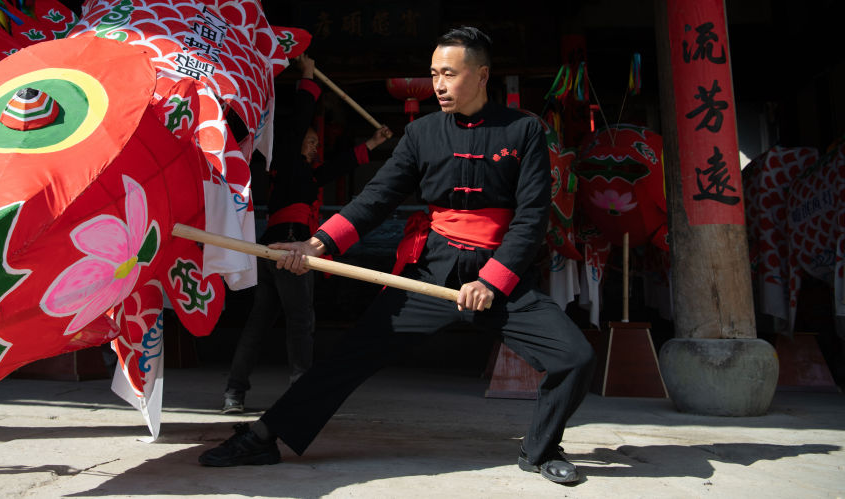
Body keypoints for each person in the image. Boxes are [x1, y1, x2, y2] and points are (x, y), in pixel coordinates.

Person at [199, 26, 595, 484]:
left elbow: (532, 219)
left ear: (482, 75)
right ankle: (264, 437)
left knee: (575, 356)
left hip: (498, 275)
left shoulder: (523, 131)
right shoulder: (422, 133)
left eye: (449, 73)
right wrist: (315, 245)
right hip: (434, 271)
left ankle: (540, 448)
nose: (439, 85)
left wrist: (491, 282)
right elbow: (376, 198)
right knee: (349, 356)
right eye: (433, 74)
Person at [221, 52, 392, 414]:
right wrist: (309, 78)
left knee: (260, 322)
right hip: (290, 245)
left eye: (316, 145)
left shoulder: (306, 176)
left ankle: (234, 392)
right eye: (309, 143)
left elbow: (336, 167)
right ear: (294, 144)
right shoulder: (283, 161)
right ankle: (300, 394)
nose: (313, 147)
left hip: (271, 248)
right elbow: (299, 121)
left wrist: (375, 143)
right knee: (301, 321)